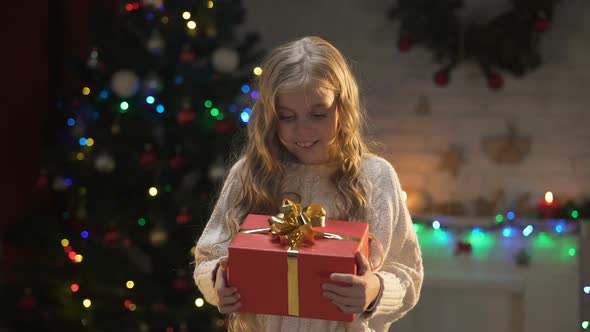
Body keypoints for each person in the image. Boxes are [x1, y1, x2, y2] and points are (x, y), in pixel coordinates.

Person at [193, 36, 423, 332]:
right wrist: (217, 282)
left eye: (318, 114)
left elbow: (407, 272)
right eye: (287, 117)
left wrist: (374, 289)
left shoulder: (376, 178)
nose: (302, 130)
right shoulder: (249, 174)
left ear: (343, 107)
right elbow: (209, 257)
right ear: (270, 116)